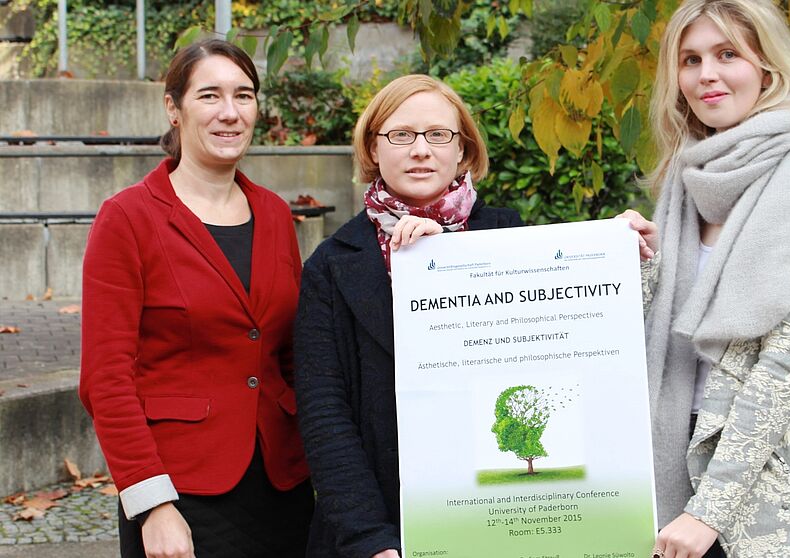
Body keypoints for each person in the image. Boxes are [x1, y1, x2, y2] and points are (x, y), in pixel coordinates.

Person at [618, 1, 790, 557]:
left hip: (771, 503)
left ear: (769, 67)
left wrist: (707, 512)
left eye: (727, 54)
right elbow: (661, 338)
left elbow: (786, 369)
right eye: (690, 60)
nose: (706, 74)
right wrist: (633, 263)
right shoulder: (685, 186)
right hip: (670, 483)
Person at [79, 40, 313, 558]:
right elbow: (106, 379)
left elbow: (289, 353)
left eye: (244, 95)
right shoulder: (127, 219)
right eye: (210, 95)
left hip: (283, 485)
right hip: (181, 492)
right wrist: (151, 504)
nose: (230, 113)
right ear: (174, 108)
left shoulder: (274, 213)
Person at [293, 74, 523, 558]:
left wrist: (625, 252)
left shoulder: (513, 240)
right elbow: (324, 414)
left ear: (463, 150)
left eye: (439, 134)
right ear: (374, 149)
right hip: (378, 530)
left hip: (502, 518)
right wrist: (369, 539)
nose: (421, 149)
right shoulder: (331, 265)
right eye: (401, 135)